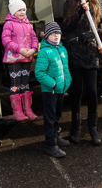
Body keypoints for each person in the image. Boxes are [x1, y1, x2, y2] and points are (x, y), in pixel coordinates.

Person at [62, 0, 102, 145]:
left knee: (92, 92)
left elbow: (97, 28)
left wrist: (101, 45)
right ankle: (75, 129)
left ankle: (93, 129)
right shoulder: (70, 3)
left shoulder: (95, 5)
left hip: (90, 52)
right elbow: (66, 27)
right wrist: (80, 11)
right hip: (75, 51)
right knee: (76, 92)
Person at [35, 21, 72, 158]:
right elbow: (39, 73)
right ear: (47, 36)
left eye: (58, 33)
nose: (56, 36)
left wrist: (66, 83)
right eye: (53, 34)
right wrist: (54, 84)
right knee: (50, 118)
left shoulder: (62, 49)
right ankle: (51, 145)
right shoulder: (45, 52)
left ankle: (56, 136)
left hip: (60, 90)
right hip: (50, 91)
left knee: (57, 115)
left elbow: (65, 69)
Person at [2, 0, 39, 121]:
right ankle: (17, 112)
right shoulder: (9, 24)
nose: (22, 12)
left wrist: (34, 49)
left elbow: (34, 38)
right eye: (19, 10)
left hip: (26, 59)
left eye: (24, 10)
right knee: (15, 84)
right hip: (14, 59)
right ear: (13, 12)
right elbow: (6, 40)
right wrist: (20, 49)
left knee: (25, 83)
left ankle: (28, 110)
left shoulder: (28, 25)